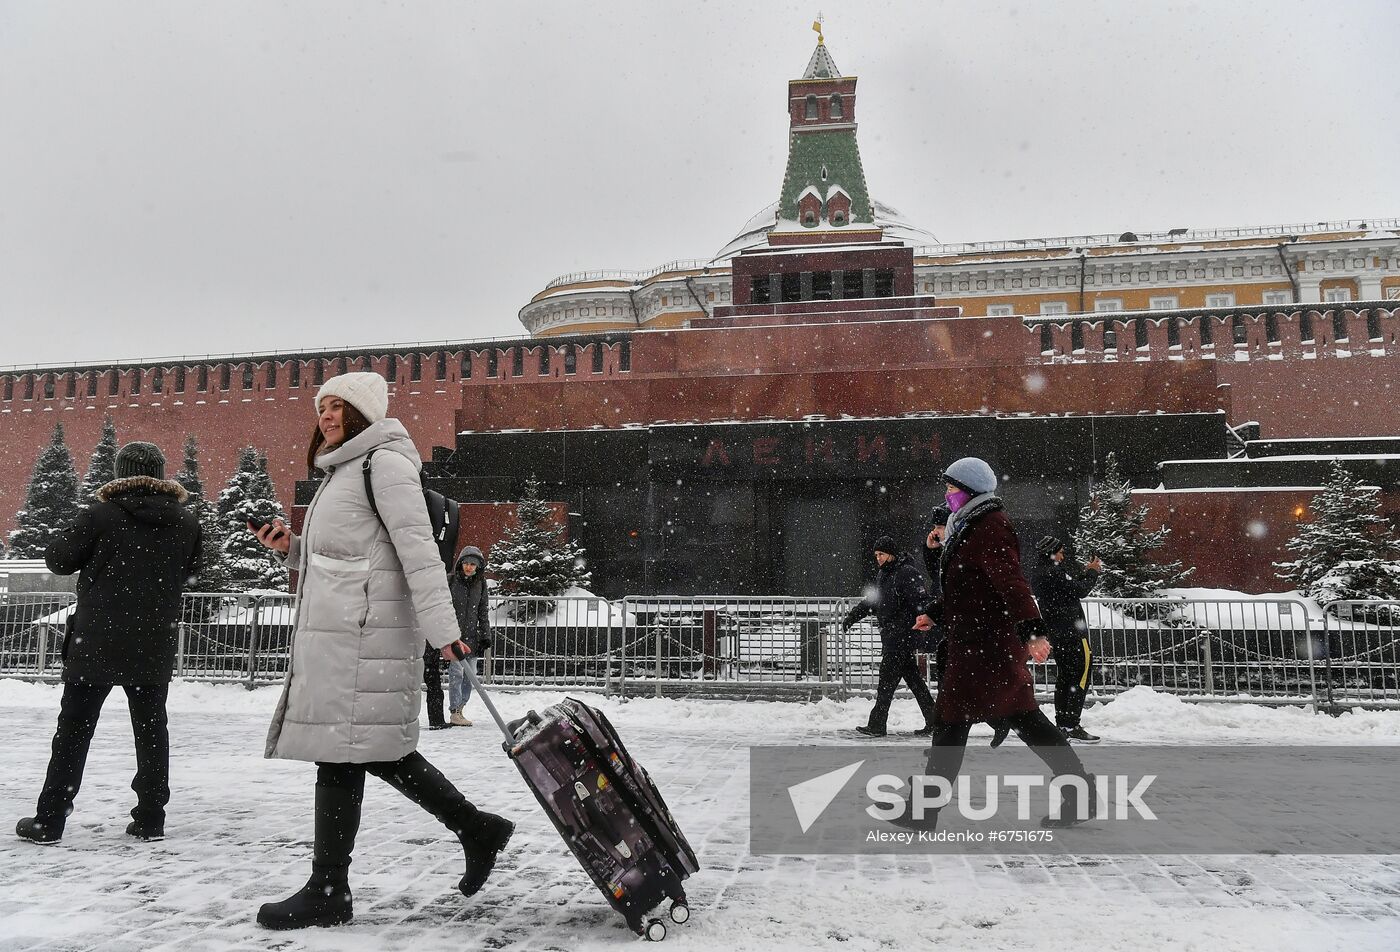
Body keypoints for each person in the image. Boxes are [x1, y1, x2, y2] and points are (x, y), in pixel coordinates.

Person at [252, 372, 514, 930]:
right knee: (373, 753)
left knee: (347, 756)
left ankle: (329, 888)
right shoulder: (343, 469)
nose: (325, 416)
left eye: (338, 406)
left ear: (363, 411)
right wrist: (291, 550)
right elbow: (347, 559)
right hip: (346, 636)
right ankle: (475, 829)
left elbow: (418, 555)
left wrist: (446, 631)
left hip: (366, 639)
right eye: (321, 406)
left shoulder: (384, 465)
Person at [16, 442, 201, 844]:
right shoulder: (186, 521)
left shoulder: (100, 515)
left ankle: (50, 820)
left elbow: (59, 560)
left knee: (74, 730)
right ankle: (151, 818)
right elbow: (194, 569)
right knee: (152, 730)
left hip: (96, 639)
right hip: (153, 638)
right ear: (159, 473)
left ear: (120, 473)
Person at [906, 457, 1094, 829]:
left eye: (951, 488)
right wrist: (936, 613)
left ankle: (922, 810)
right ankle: (1080, 795)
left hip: (986, 646)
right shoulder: (970, 525)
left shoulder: (990, 526)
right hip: (977, 643)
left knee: (957, 721)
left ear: (970, 489)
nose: (946, 494)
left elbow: (1012, 584)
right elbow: (968, 588)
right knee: (1010, 719)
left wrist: (1033, 631)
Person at [842, 536, 938, 737]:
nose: (878, 558)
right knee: (914, 681)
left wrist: (924, 621)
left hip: (902, 637)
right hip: (893, 636)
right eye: (876, 555)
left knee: (886, 683)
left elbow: (921, 601)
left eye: (882, 554)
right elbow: (873, 601)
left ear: (891, 554)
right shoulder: (884, 575)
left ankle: (877, 724)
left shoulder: (906, 573)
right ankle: (935, 721)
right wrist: (853, 616)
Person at [1032, 536, 1103, 742]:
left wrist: (1084, 573)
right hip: (1073, 634)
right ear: (1052, 552)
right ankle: (1071, 724)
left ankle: (1063, 723)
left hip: (1058, 634)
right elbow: (1079, 590)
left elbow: (1069, 589)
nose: (1063, 556)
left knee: (1064, 679)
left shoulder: (1040, 574)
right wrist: (1092, 572)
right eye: (1061, 551)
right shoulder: (1054, 573)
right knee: (1079, 677)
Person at [446, 546, 492, 728]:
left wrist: (486, 635)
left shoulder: (481, 584)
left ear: (478, 567)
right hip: (455, 637)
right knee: (456, 673)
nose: (469, 567)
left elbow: (483, 612)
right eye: (466, 563)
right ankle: (455, 710)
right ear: (461, 564)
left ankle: (461, 706)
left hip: (472, 637)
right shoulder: (451, 582)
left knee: (470, 676)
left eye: (473, 564)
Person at [423, 642, 449, 730]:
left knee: (434, 688)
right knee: (435, 689)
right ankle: (436, 720)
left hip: (428, 656)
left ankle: (436, 720)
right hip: (430, 657)